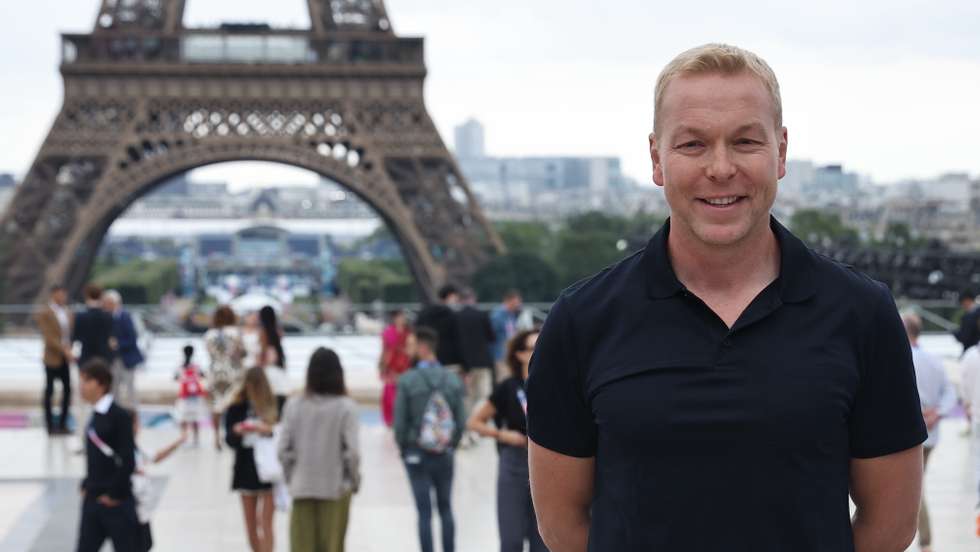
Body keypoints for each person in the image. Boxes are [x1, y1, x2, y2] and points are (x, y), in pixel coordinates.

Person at [526, 43, 927, 552]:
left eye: (744, 142)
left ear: (780, 152)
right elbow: (560, 525)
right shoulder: (580, 321)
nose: (720, 168)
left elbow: (892, 523)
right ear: (656, 159)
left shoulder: (863, 314)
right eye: (693, 145)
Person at [467, 328, 546, 552]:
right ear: (520, 354)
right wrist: (503, 435)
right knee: (511, 540)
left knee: (542, 542)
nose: (539, 353)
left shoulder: (555, 387)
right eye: (533, 348)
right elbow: (475, 422)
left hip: (547, 466)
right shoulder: (508, 387)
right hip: (514, 465)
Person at [278, 347, 361, 552]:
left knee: (301, 547)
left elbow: (283, 449)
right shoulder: (346, 407)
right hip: (335, 490)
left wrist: (292, 476)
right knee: (333, 546)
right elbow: (352, 452)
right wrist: (353, 480)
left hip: (302, 487)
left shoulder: (293, 406)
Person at [394, 327, 466, 552]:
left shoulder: (407, 380)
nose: (408, 349)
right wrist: (451, 444)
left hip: (417, 452)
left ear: (423, 348)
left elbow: (399, 423)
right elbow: (461, 420)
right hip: (444, 453)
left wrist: (405, 448)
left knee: (424, 512)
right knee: (446, 508)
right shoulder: (452, 379)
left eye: (412, 345)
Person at [902, 312, 956, 552]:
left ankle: (925, 540)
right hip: (932, 434)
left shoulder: (899, 359)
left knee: (913, 490)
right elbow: (949, 393)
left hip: (909, 435)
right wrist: (937, 413)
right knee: (915, 486)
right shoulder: (935, 360)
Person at [76, 358, 139, 552]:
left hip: (115, 503)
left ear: (101, 383)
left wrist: (114, 494)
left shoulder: (119, 416)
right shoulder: (95, 414)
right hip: (93, 500)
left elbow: (128, 458)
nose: (81, 387)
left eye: (86, 381)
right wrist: (86, 484)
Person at [225, 366, 279, 552]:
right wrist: (237, 431)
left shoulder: (273, 404)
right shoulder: (236, 407)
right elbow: (230, 440)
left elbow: (283, 434)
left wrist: (267, 430)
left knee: (266, 522)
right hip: (245, 465)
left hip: (268, 467)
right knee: (250, 523)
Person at [132, 415, 186, 552]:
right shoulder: (122, 448)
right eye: (136, 423)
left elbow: (155, 456)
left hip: (141, 508)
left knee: (146, 544)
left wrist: (178, 442)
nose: (138, 428)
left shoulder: (135, 447)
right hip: (129, 506)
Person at [71, 283, 114, 448]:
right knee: (104, 401)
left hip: (86, 364)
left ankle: (83, 438)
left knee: (82, 403)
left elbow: (75, 339)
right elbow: (111, 341)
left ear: (86, 295)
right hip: (103, 364)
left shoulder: (81, 317)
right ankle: (104, 437)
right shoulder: (108, 316)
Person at [455, 289, 496, 445]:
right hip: (483, 361)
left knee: (468, 398)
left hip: (466, 364)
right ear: (473, 299)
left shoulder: (457, 316)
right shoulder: (481, 315)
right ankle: (476, 428)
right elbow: (491, 337)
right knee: (483, 396)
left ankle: (466, 430)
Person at [204, 305, 246, 449]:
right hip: (232, 372)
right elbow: (242, 352)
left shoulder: (209, 334)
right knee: (234, 404)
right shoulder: (235, 333)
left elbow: (209, 353)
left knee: (216, 407)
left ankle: (216, 437)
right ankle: (232, 435)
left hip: (215, 372)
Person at [35, 284, 74, 435]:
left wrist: (69, 350)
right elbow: (49, 337)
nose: (63, 297)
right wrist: (65, 350)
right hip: (52, 358)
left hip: (65, 358)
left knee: (67, 391)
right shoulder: (45, 313)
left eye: (64, 294)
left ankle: (63, 424)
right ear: (54, 294)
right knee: (49, 391)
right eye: (60, 294)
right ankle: (50, 426)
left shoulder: (67, 312)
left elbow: (68, 335)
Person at [104, 290, 144, 411]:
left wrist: (118, 344)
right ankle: (116, 414)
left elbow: (132, 338)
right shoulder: (107, 317)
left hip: (126, 358)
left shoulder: (125, 317)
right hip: (114, 359)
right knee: (114, 388)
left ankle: (134, 415)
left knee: (129, 388)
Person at [416, 284, 464, 372]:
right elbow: (459, 341)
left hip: (427, 362)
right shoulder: (454, 316)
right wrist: (464, 364)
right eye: (456, 298)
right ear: (450, 296)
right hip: (450, 362)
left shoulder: (424, 314)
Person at [379, 309, 412, 427]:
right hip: (391, 366)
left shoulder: (409, 332)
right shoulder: (388, 332)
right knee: (390, 395)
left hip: (405, 365)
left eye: (402, 316)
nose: (401, 319)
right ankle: (390, 420)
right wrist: (382, 366)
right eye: (398, 317)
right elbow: (384, 350)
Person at [258, 305, 289, 414]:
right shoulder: (278, 331)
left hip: (268, 367)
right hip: (278, 365)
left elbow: (262, 351)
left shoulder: (263, 332)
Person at [173, 345, 207, 446]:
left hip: (184, 396)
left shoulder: (180, 366)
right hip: (195, 396)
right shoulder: (197, 365)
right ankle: (196, 440)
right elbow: (203, 375)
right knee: (195, 418)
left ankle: (184, 438)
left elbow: (175, 377)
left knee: (183, 418)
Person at [490, 290, 522, 379]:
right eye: (516, 302)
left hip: (509, 352)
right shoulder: (497, 316)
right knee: (503, 379)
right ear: (509, 301)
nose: (518, 305)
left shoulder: (511, 315)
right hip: (500, 354)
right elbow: (492, 335)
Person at [954, 288, 980, 355]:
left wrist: (955, 333)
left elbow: (964, 337)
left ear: (967, 300)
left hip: (971, 352)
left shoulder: (968, 317)